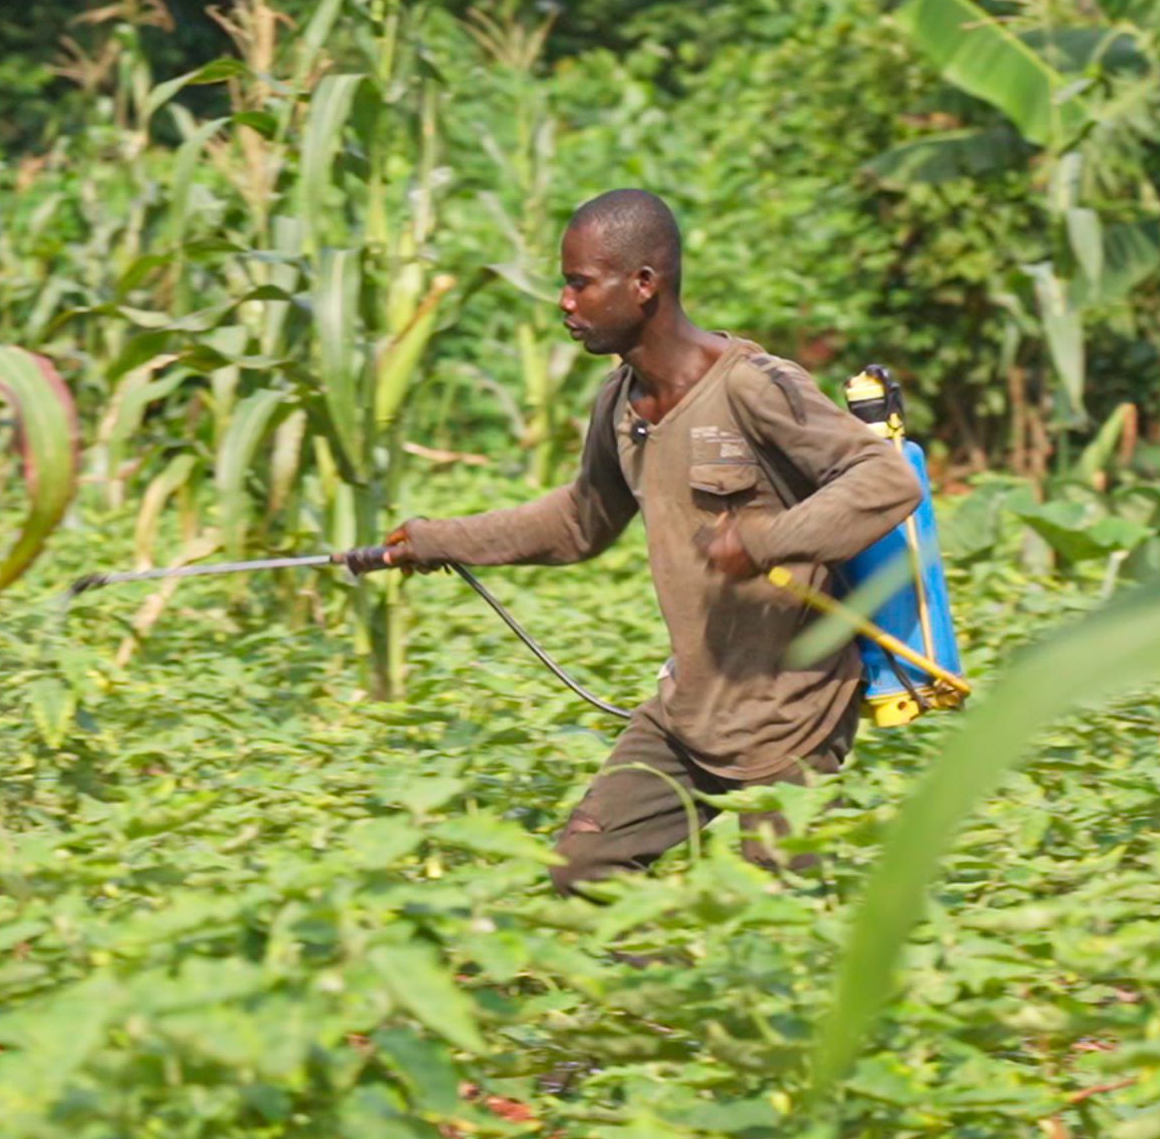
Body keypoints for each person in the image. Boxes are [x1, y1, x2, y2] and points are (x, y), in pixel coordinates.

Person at [378, 189, 922, 893]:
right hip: (687, 714)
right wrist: (435, 539)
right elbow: (578, 522)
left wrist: (766, 539)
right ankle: (666, 993)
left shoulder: (755, 386)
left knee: (782, 931)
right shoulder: (619, 400)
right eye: (564, 282)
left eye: (579, 282)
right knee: (582, 869)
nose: (564, 302)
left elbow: (884, 481)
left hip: (790, 716)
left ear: (643, 285)